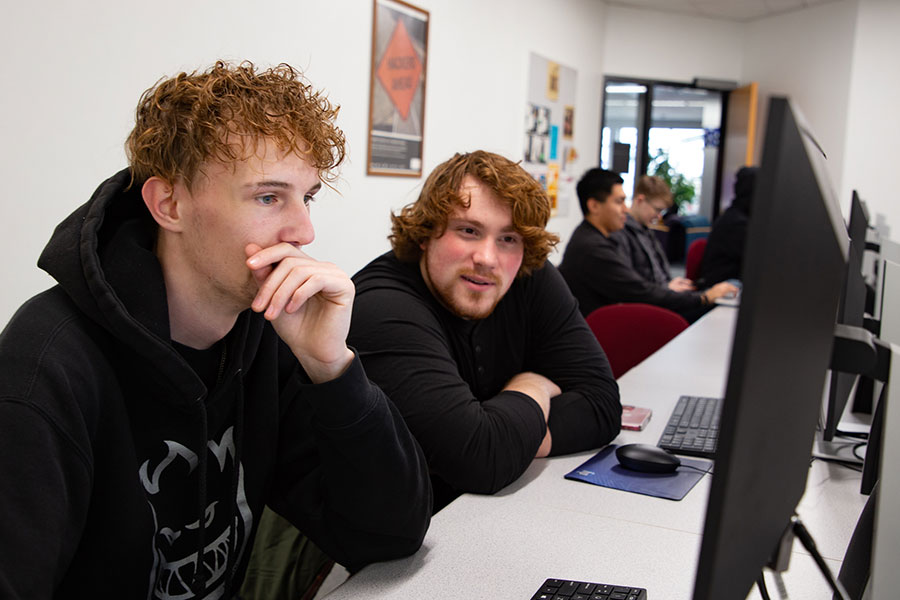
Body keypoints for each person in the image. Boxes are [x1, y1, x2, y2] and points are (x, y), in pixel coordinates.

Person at [0, 61, 431, 599]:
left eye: (308, 196)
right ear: (170, 204)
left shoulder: (269, 337)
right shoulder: (44, 369)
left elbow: (389, 537)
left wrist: (333, 368)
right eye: (269, 197)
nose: (304, 230)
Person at [348, 150, 622, 511]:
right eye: (468, 231)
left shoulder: (528, 274)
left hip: (493, 514)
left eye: (508, 239)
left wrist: (502, 433)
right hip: (388, 538)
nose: (488, 258)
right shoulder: (381, 305)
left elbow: (603, 406)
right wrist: (533, 386)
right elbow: (481, 461)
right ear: (426, 233)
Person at [558, 168, 737, 322]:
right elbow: (640, 292)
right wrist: (704, 298)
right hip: (613, 331)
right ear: (594, 206)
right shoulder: (593, 248)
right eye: (619, 202)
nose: (625, 209)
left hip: (625, 318)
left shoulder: (596, 238)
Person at [613, 175, 695, 292]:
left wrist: (670, 283)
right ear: (640, 200)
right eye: (657, 209)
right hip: (650, 300)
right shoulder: (621, 233)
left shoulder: (646, 230)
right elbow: (632, 285)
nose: (659, 216)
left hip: (662, 294)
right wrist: (666, 288)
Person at [696, 166, 759, 288]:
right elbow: (755, 261)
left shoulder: (736, 215)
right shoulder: (736, 223)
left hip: (728, 282)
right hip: (721, 286)